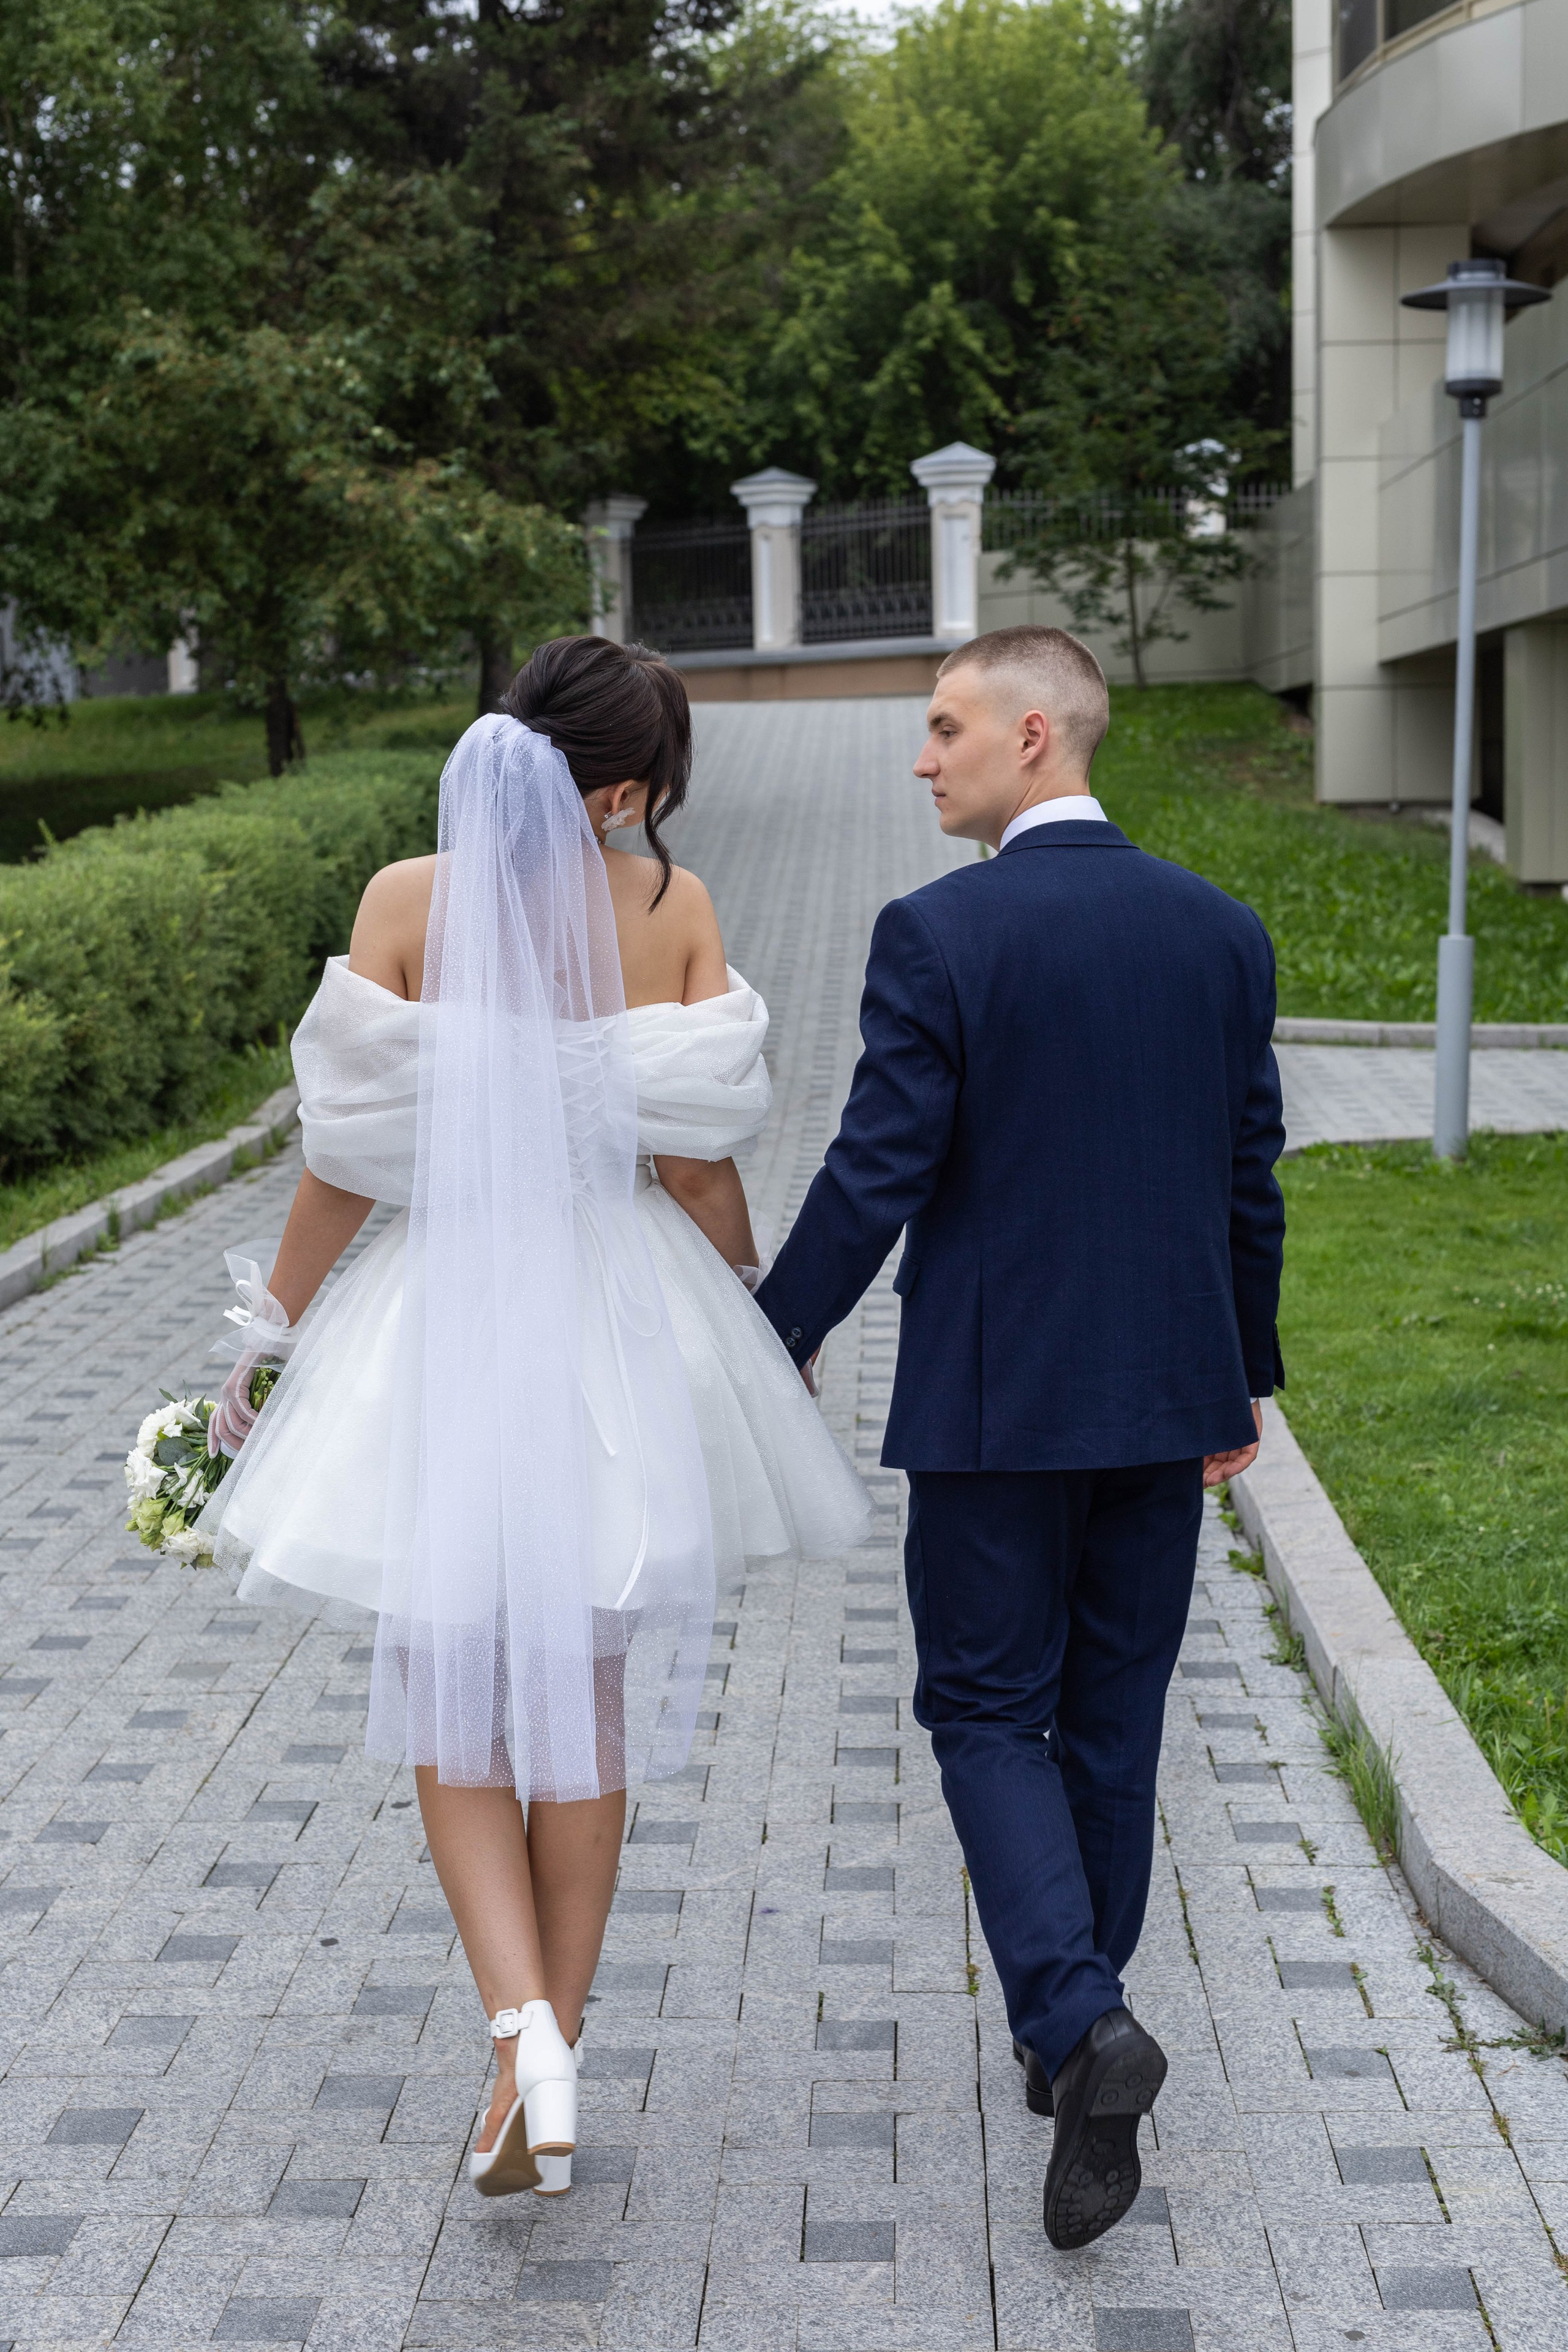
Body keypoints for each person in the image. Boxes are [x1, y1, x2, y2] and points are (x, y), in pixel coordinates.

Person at [198, 636, 870, 2202]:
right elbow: (700, 1167)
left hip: (443, 1329)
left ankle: (519, 2040)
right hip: (623, 1327)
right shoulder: (669, 910)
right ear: (622, 786)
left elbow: (346, 1157)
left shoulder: (403, 903)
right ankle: (547, 2046)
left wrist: (274, 1329)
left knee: (453, 1711)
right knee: (588, 1710)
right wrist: (767, 1332)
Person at [755, 624, 1286, 2251]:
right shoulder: (1221, 932)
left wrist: (770, 1335)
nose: (922, 759)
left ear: (1036, 738)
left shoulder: (941, 935)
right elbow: (1251, 1173)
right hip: (1168, 1398)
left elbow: (876, 1170)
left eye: (943, 727)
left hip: (997, 1414)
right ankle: (1076, 2047)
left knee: (987, 1712)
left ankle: (1080, 2022)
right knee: (1111, 1724)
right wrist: (1242, 1382)